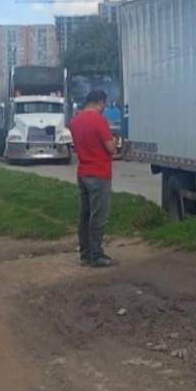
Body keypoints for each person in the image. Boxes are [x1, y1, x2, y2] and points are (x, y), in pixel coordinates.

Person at [69, 89, 117, 267]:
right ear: (100, 102)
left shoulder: (74, 121)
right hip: (100, 173)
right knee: (99, 215)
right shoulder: (99, 120)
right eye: (104, 104)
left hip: (83, 172)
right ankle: (96, 255)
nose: (104, 108)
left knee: (85, 215)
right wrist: (116, 142)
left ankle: (85, 254)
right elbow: (110, 148)